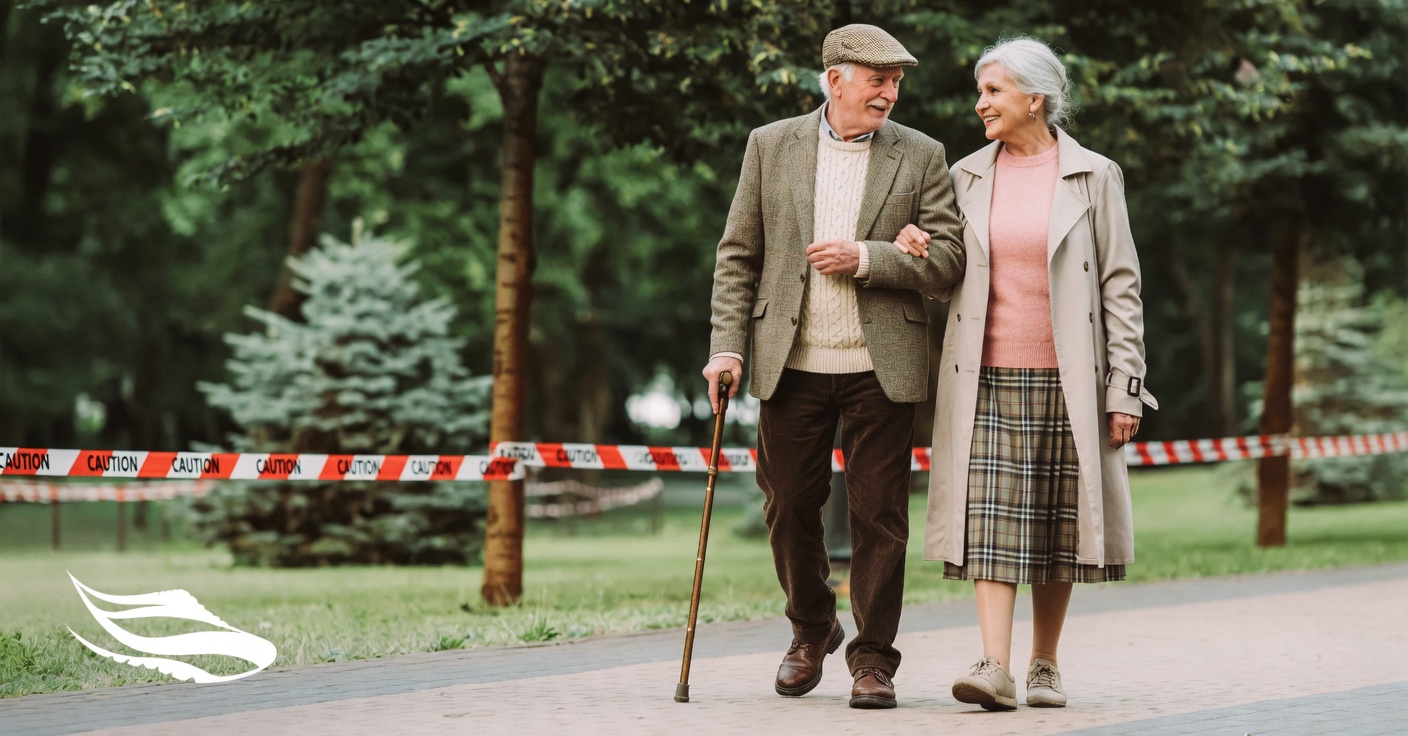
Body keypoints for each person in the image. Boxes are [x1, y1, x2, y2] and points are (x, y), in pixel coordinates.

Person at [702, 24, 965, 710]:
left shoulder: (923, 155)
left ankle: (873, 660)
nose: (890, 91)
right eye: (877, 79)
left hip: (884, 366)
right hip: (790, 363)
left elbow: (947, 263)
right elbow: (739, 255)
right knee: (789, 505)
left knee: (881, 517)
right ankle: (812, 628)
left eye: (896, 80)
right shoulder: (770, 145)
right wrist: (726, 347)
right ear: (836, 79)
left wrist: (871, 258)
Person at [896, 36, 1158, 711]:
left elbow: (1121, 288)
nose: (980, 103)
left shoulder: (1095, 176)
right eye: (982, 91)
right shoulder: (964, 176)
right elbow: (945, 276)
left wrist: (1124, 386)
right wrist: (917, 251)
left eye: (993, 91)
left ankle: (1044, 664)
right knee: (990, 524)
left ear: (1034, 98)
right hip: (982, 375)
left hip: (1069, 377)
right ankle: (993, 664)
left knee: (1058, 525)